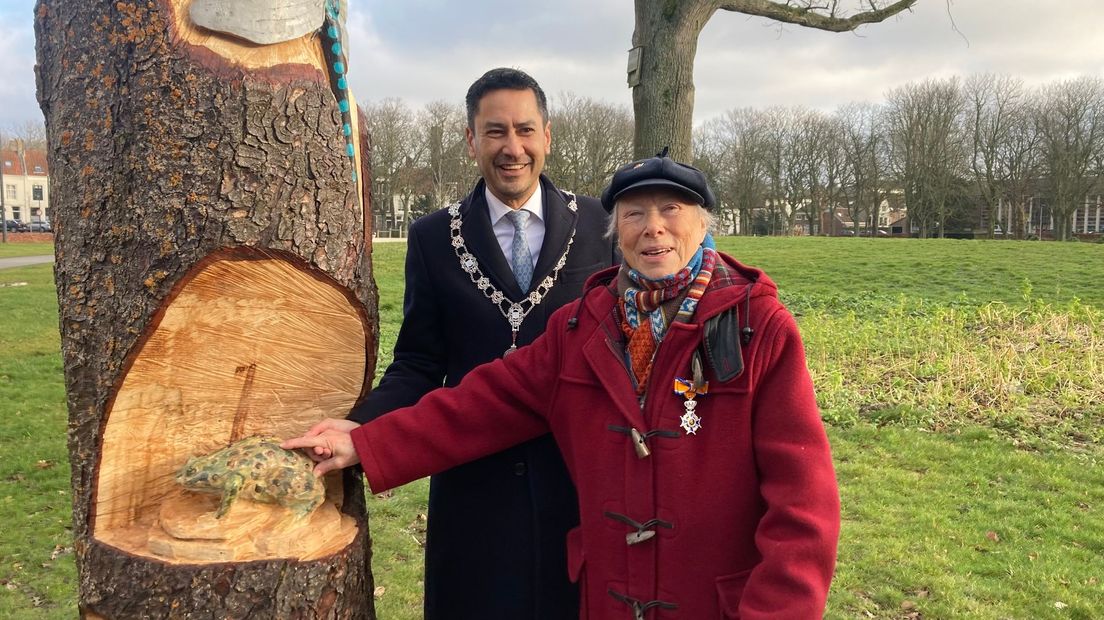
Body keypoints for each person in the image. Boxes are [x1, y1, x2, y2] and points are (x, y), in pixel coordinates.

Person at [289, 153, 840, 619]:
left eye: (672, 209)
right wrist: (365, 441)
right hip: (609, 600)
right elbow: (483, 404)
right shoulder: (582, 326)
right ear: (615, 231)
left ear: (702, 223)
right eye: (634, 213)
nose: (654, 227)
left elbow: (803, 504)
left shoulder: (755, 327)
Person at [348, 68, 616, 619]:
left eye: (524, 130)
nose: (511, 148)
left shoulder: (601, 225)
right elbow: (419, 363)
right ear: (471, 140)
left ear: (548, 135)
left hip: (579, 481)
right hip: (474, 485)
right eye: (495, 132)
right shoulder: (431, 238)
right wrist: (362, 427)